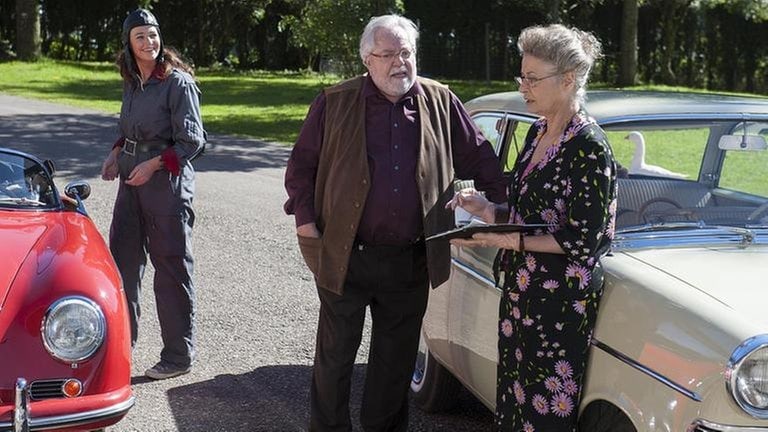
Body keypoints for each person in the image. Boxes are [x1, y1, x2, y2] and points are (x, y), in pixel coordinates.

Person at [284, 14, 507, 432]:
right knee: (334, 360)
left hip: (410, 260)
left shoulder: (441, 102)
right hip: (345, 255)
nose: (399, 63)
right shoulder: (335, 101)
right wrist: (306, 225)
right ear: (368, 59)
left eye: (406, 53)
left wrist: (500, 207)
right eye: (388, 54)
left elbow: (481, 159)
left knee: (394, 364)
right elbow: (301, 169)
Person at [449, 24, 617, 431]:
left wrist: (507, 239)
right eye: (521, 76)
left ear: (568, 80)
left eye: (532, 78)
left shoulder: (589, 147)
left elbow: (588, 239)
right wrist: (487, 209)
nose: (523, 86)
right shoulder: (537, 130)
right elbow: (528, 213)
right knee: (511, 404)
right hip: (520, 295)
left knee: (544, 414)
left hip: (559, 304)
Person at [100, 8, 206, 381]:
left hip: (166, 188)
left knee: (171, 269)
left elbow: (193, 141)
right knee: (124, 264)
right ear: (129, 44)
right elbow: (131, 127)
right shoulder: (133, 81)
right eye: (140, 36)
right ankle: (119, 349)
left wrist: (155, 165)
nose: (149, 42)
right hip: (131, 184)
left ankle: (178, 356)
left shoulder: (178, 84)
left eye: (153, 35)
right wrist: (117, 153)